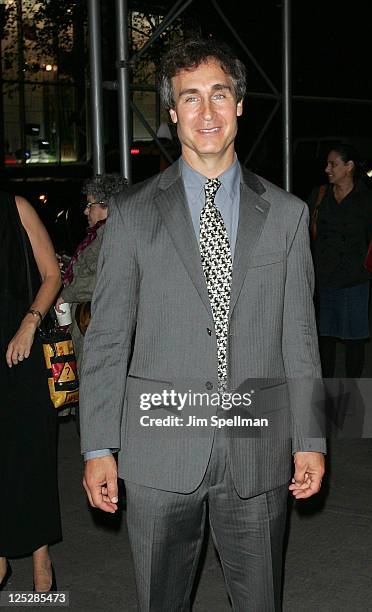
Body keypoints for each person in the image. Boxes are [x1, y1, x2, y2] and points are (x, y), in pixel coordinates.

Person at [80, 38, 325, 611]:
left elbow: (301, 339)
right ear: (172, 114)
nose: (207, 112)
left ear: (240, 104)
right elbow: (108, 339)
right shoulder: (134, 216)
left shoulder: (287, 215)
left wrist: (310, 439)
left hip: (258, 448)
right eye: (191, 98)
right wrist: (98, 446)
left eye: (219, 94)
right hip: (159, 452)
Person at [0, 192, 62, 591]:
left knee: (31, 453)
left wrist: (29, 323)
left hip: (20, 348)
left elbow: (52, 274)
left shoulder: (15, 207)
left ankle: (41, 556)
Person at [308, 143, 372, 378]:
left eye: (333, 164)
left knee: (354, 339)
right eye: (327, 164)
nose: (327, 169)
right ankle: (326, 387)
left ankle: (352, 390)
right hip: (325, 278)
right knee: (325, 338)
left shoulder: (368, 200)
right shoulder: (320, 195)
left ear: (349, 167)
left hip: (354, 279)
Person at [55, 174, 128, 376]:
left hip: (98, 332)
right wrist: (67, 265)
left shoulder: (113, 235)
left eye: (90, 205)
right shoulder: (101, 234)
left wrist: (67, 294)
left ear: (106, 205)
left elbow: (107, 276)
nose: (86, 211)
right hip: (91, 329)